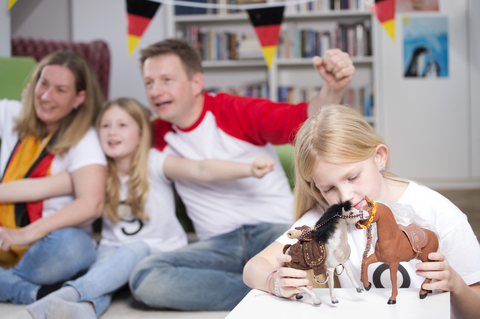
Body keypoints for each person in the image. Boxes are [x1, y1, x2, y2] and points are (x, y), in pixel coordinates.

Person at [128, 38, 356, 310]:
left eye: (166, 79)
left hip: (272, 232)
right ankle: (267, 287)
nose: (155, 91)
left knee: (321, 258)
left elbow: (305, 121)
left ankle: (273, 282)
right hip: (218, 245)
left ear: (196, 82)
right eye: (149, 82)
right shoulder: (155, 134)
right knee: (144, 277)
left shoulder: (233, 111)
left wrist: (332, 89)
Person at [20, 97, 276, 319]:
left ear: (141, 132)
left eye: (122, 125)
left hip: (159, 249)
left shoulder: (154, 162)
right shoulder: (97, 171)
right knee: (104, 274)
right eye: (105, 126)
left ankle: (71, 291)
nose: (112, 132)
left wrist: (248, 169)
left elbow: (200, 168)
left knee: (135, 249)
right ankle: (84, 309)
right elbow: (41, 187)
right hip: (113, 250)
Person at [242, 104, 480, 319]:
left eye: (353, 177)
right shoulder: (326, 217)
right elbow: (253, 267)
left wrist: (457, 285)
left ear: (379, 157)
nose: (345, 197)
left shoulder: (438, 212)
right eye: (329, 188)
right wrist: (274, 281)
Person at [0, 51, 107, 305]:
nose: (46, 96)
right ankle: (32, 291)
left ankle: (9, 282)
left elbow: (91, 204)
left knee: (74, 246)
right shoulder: (11, 114)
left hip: (44, 247)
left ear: (79, 98)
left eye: (60, 90)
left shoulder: (84, 138)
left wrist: (24, 234)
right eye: (43, 84)